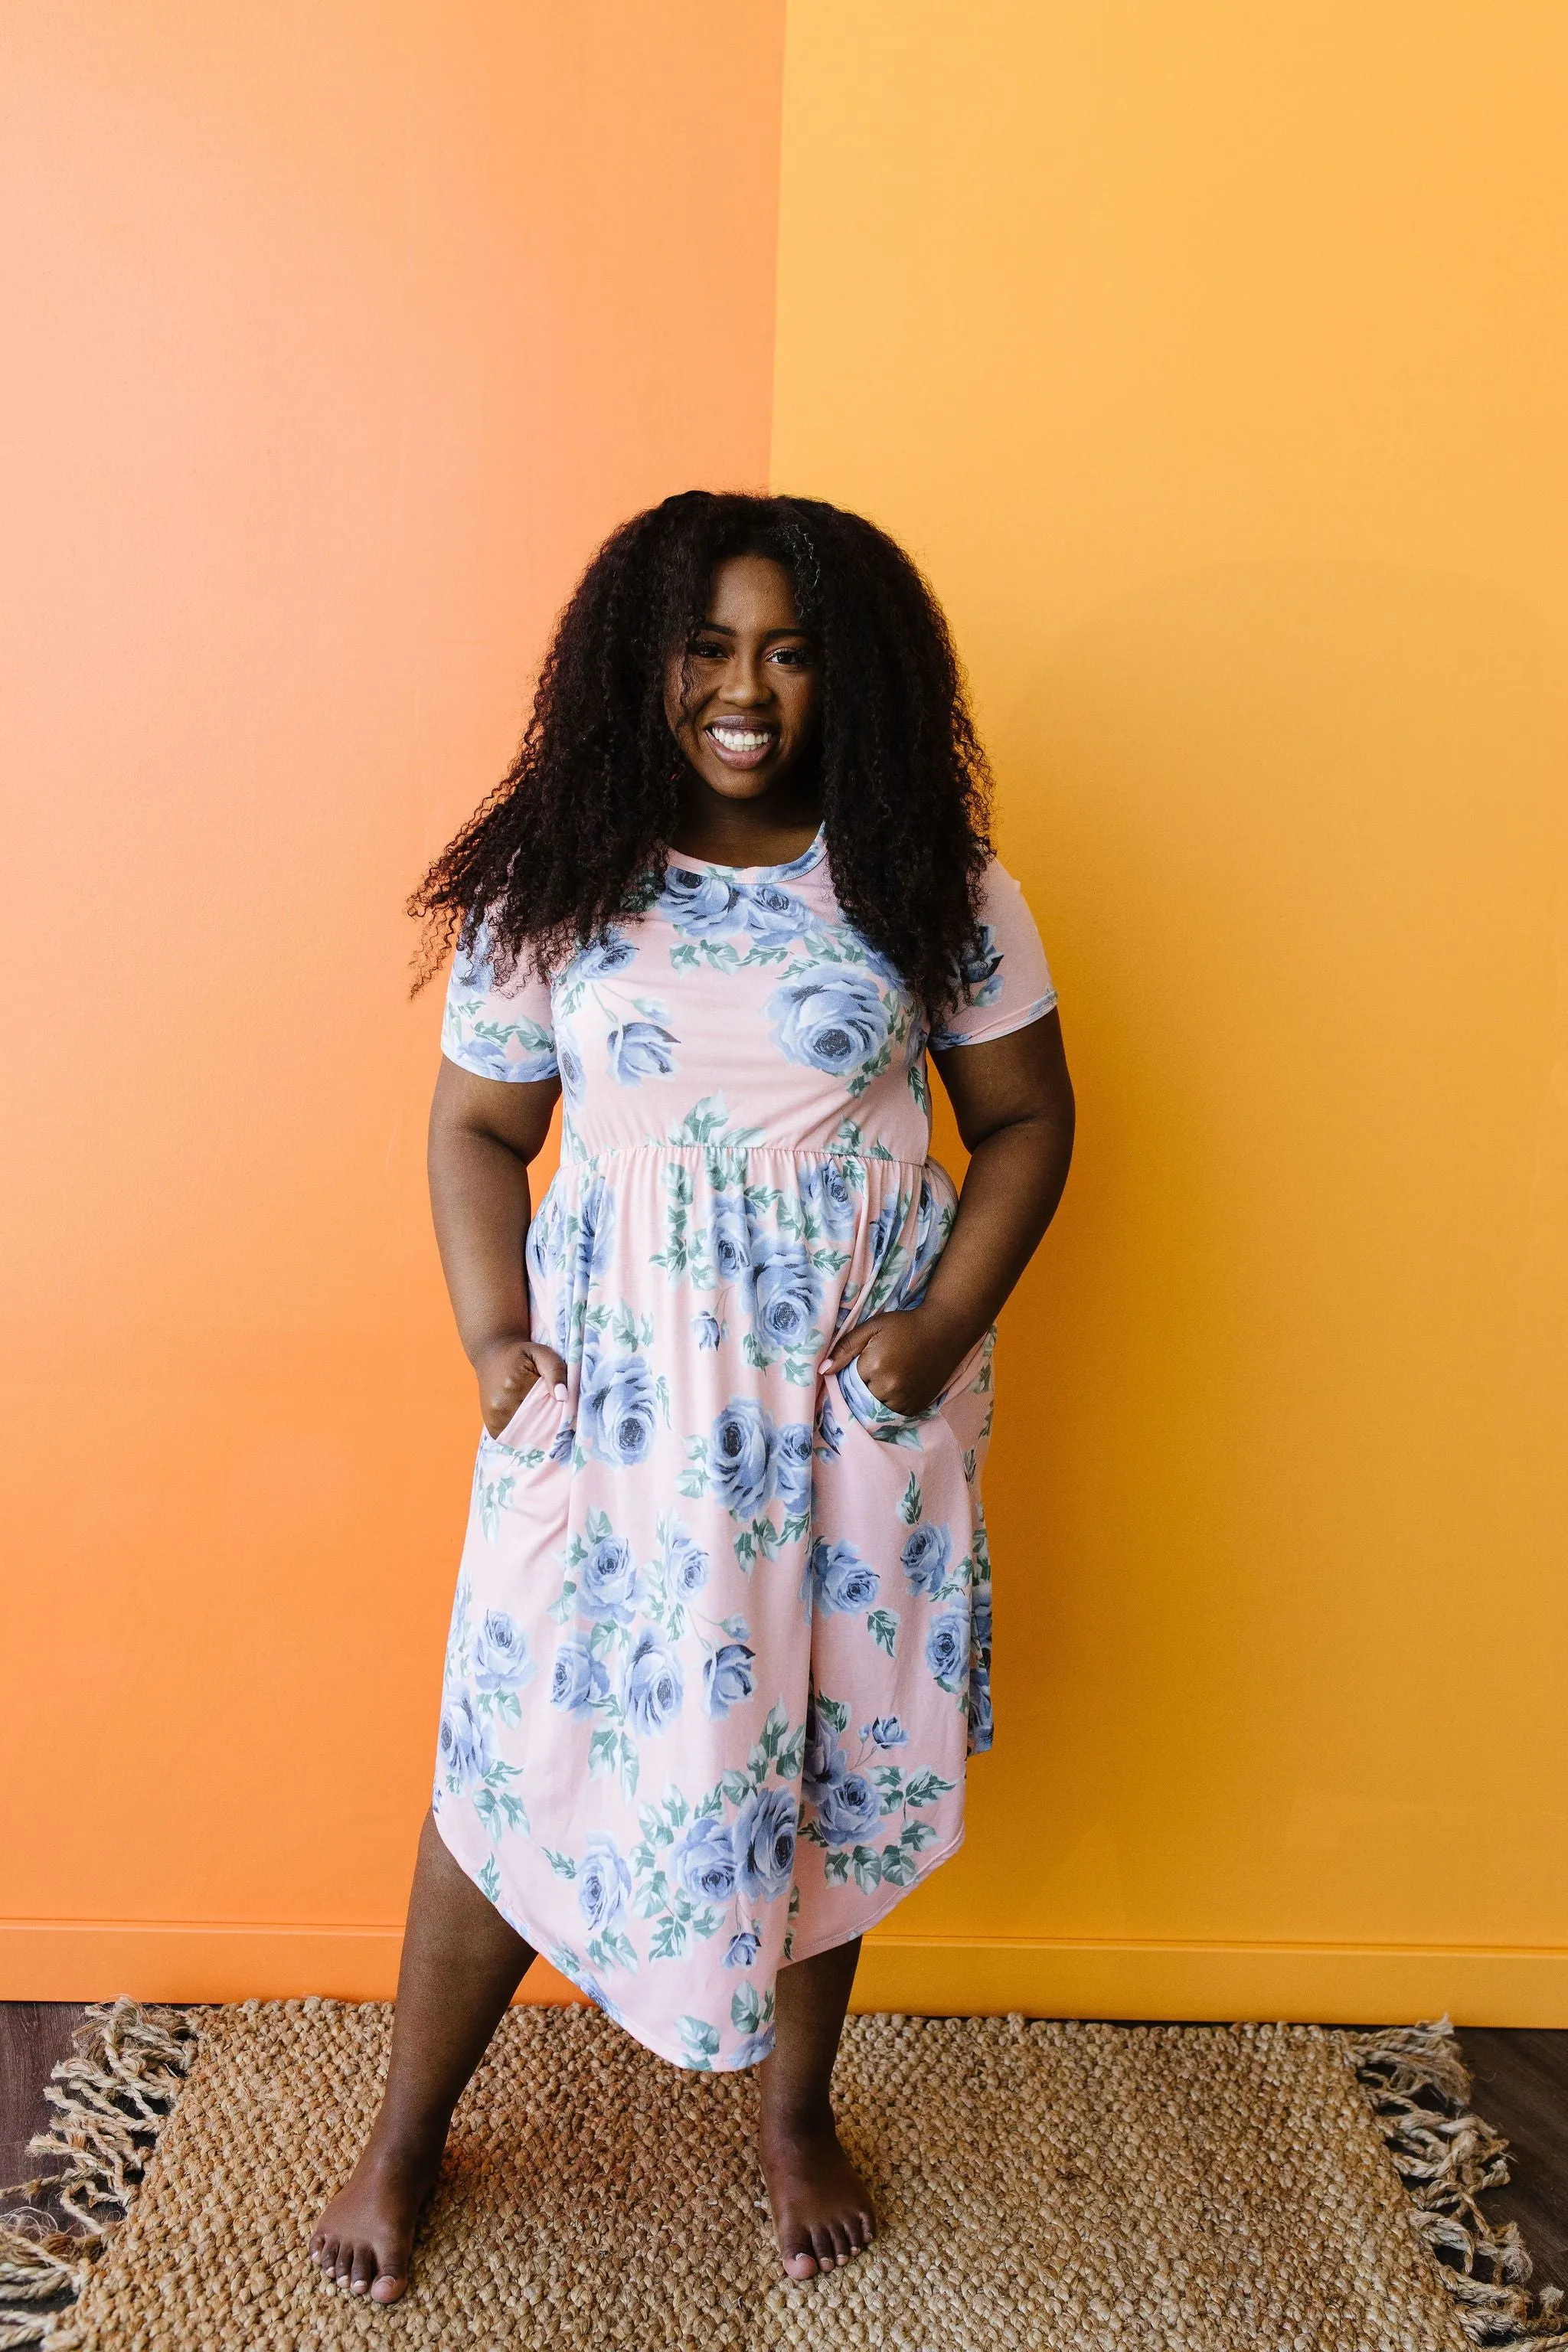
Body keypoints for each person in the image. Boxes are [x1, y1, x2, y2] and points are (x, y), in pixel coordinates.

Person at [309, 492, 1075, 2301]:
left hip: (844, 1410)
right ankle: (405, 2134)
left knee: (813, 1740)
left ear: (850, 673)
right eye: (710, 647)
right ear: (639, 667)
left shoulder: (934, 886)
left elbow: (1031, 1123)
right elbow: (480, 1129)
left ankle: (795, 2113)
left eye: (791, 650)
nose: (747, 689)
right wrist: (499, 1348)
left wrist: (938, 1326)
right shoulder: (552, 884)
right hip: (612, 1412)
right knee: (520, 1748)